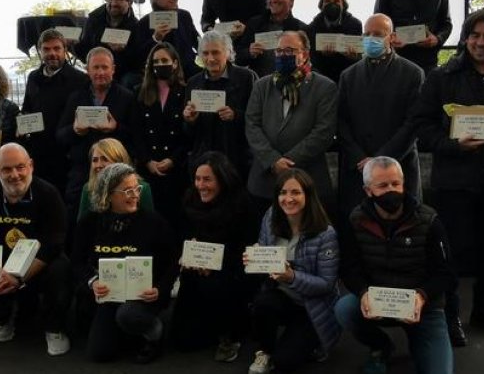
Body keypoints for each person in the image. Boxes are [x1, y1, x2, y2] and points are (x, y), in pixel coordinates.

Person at [410, 9, 484, 346]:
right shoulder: (442, 75)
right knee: (453, 250)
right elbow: (421, 125)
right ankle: (450, 316)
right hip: (455, 178)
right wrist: (452, 144)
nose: (480, 42)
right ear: (465, 39)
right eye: (474, 35)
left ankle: (483, 310)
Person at [335, 156, 454, 374]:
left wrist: (422, 296)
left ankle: (418, 341)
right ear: (368, 190)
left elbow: (445, 274)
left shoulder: (429, 220)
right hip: (378, 301)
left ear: (404, 183)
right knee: (344, 309)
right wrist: (363, 293)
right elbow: (349, 269)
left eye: (395, 184)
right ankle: (381, 345)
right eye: (382, 185)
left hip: (423, 307)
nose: (391, 190)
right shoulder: (356, 219)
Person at [0, 144, 72, 355]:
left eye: (20, 167)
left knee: (61, 269)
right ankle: (4, 319)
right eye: (6, 169)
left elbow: (54, 243)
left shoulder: (48, 194)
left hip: (38, 266)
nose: (15, 175)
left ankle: (54, 328)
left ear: (30, 166)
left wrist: (20, 277)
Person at [72, 163, 177, 363]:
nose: (135, 195)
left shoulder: (153, 222)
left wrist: (160, 290)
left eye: (136, 188)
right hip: (109, 294)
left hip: (143, 296)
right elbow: (76, 261)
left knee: (128, 315)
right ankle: (127, 332)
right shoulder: (89, 222)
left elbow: (173, 261)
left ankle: (154, 333)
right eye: (127, 190)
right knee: (99, 354)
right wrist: (92, 281)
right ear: (108, 194)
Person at [247, 168, 341, 374]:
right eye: (282, 192)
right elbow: (265, 253)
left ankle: (311, 341)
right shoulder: (271, 215)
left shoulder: (326, 233)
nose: (288, 199)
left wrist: (291, 276)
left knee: (285, 362)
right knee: (262, 303)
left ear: (308, 195)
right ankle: (264, 350)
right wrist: (256, 256)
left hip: (313, 306)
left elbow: (326, 285)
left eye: (295, 192)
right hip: (282, 296)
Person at [171, 152, 258, 361]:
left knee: (215, 285)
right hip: (196, 271)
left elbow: (246, 250)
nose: (201, 185)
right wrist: (187, 250)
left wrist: (217, 263)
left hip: (232, 273)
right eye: (198, 178)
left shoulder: (241, 204)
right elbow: (180, 236)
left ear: (222, 179)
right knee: (181, 342)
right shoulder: (190, 199)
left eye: (207, 179)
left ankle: (231, 334)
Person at [336, 13, 426, 217]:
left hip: (398, 167)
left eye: (377, 34)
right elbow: (341, 122)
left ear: (392, 38)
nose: (371, 39)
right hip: (357, 170)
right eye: (366, 34)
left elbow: (413, 123)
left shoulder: (412, 73)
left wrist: (379, 159)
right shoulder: (349, 75)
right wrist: (361, 158)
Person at [245, 30, 338, 210]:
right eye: (279, 51)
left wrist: (288, 162)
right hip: (264, 181)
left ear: (305, 54)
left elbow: (323, 132)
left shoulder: (325, 87)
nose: (282, 55)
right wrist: (273, 160)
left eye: (289, 51)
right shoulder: (262, 86)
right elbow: (252, 126)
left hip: (308, 180)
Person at [57, 47, 136, 209]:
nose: (100, 72)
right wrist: (75, 130)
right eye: (96, 67)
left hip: (117, 173)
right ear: (87, 70)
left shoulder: (127, 97)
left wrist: (116, 128)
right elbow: (59, 135)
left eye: (105, 67)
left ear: (113, 70)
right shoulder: (75, 97)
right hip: (82, 172)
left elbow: (137, 137)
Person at [20, 29, 90, 197]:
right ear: (40, 51)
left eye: (56, 48)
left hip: (66, 156)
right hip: (38, 153)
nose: (52, 53)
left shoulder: (80, 80)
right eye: (46, 49)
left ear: (65, 50)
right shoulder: (33, 77)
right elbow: (26, 108)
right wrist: (22, 121)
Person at [183, 31, 258, 176]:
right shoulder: (193, 83)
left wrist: (235, 116)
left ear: (228, 53)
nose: (210, 58)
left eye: (216, 52)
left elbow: (258, 119)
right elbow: (188, 133)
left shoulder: (246, 78)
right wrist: (189, 120)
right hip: (203, 160)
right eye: (205, 53)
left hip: (237, 159)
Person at [133, 41, 192, 219]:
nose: (160, 65)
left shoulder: (186, 91)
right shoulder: (139, 92)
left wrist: (173, 159)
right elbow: (136, 132)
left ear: (175, 63)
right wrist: (147, 161)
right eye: (155, 62)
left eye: (164, 60)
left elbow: (188, 133)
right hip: (148, 168)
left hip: (176, 168)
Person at [127, 0, 201, 82]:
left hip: (187, 69)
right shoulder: (144, 23)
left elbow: (197, 41)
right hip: (158, 71)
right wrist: (156, 39)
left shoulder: (184, 16)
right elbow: (138, 56)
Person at [235, 0, 310, 77]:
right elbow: (237, 57)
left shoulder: (301, 29)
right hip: (260, 85)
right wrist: (249, 52)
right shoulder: (254, 24)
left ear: (291, 1)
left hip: (291, 85)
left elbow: (309, 62)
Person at [75, 138, 155, 221]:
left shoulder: (142, 188)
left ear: (119, 161)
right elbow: (81, 227)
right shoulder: (88, 188)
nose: (98, 165)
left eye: (105, 159)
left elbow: (151, 225)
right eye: (95, 160)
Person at [75, 0, 140, 76]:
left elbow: (137, 61)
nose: (113, 3)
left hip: (122, 73)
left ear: (129, 2)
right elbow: (85, 51)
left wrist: (122, 52)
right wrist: (73, 45)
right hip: (96, 70)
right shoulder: (93, 20)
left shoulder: (136, 26)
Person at [307, 0, 363, 84]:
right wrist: (323, 56)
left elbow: (360, 61)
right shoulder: (312, 28)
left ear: (343, 4)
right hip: (322, 82)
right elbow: (311, 63)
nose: (332, 5)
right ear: (321, 4)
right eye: (327, 1)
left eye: (336, 1)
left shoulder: (355, 25)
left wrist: (353, 57)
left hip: (349, 80)